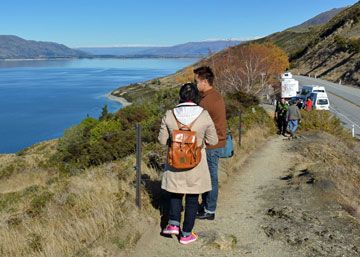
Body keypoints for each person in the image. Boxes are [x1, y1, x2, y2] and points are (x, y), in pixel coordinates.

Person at [158, 82, 218, 245]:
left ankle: (173, 224)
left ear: (180, 96)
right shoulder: (204, 115)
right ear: (196, 97)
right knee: (192, 198)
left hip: (174, 161)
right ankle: (186, 234)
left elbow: (162, 140)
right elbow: (213, 140)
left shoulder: (169, 114)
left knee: (175, 193)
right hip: (196, 162)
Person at [194, 66, 227, 221]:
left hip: (211, 145)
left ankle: (209, 209)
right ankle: (207, 205)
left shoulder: (206, 101)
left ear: (204, 81)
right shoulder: (215, 95)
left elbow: (198, 124)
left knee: (210, 177)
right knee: (210, 176)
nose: (196, 85)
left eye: (197, 81)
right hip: (217, 142)